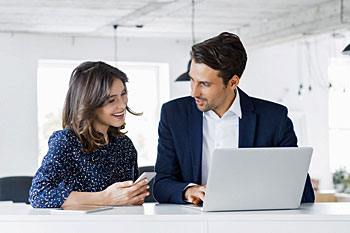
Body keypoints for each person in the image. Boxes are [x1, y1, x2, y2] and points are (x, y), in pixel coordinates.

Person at [153, 32, 315, 205]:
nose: (194, 92)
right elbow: (162, 185)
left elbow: (302, 192)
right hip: (195, 224)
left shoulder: (274, 118)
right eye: (192, 80)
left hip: (253, 220)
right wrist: (188, 191)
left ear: (232, 82)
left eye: (205, 84)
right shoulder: (174, 114)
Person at [29, 61, 149, 208]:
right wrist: (105, 198)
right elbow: (39, 194)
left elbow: (127, 200)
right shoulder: (66, 141)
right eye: (111, 100)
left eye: (123, 94)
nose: (122, 105)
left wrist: (132, 197)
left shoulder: (124, 144)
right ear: (89, 103)